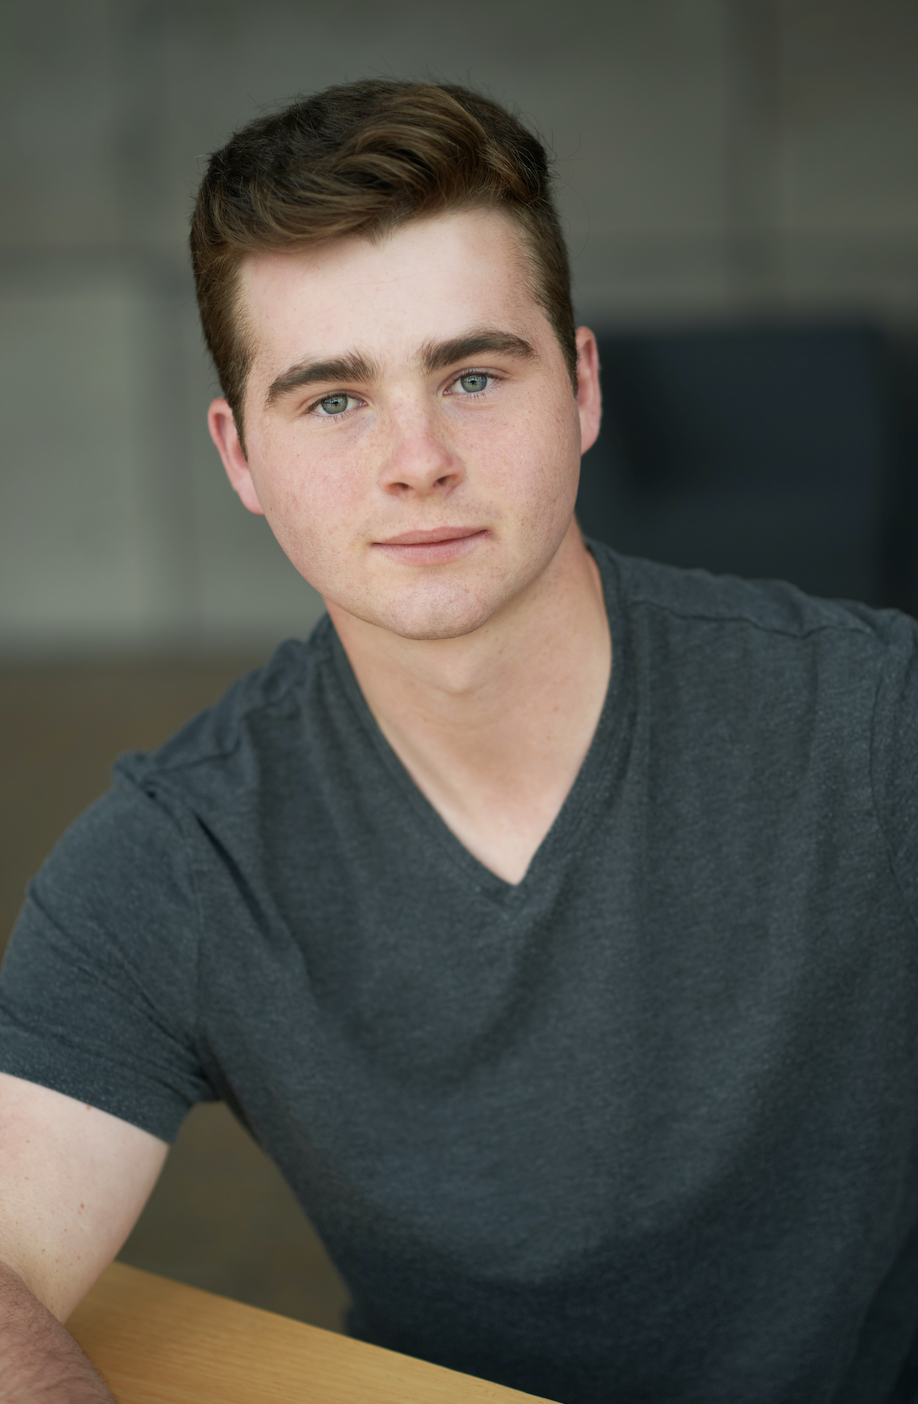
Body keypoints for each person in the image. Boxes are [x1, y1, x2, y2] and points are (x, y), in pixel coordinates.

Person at [1, 77, 918, 1404]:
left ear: (582, 389)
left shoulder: (875, 722)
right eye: (332, 401)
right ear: (240, 457)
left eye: (473, 375)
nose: (417, 457)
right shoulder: (184, 858)